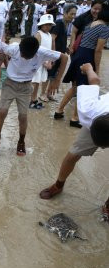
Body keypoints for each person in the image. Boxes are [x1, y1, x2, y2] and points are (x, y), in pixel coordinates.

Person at [39, 63, 109, 222]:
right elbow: (95, 82)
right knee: (73, 154)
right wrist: (88, 69)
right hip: (100, 121)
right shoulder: (89, 110)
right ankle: (58, 185)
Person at [0, 37, 68, 156]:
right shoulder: (13, 48)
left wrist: (57, 80)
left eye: (28, 56)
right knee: (3, 111)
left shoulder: (42, 52)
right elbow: (1, 50)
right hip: (10, 84)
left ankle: (21, 142)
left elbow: (65, 57)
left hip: (26, 87)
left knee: (23, 116)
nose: (24, 57)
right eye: (23, 54)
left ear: (35, 53)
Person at [56, 2, 107, 128]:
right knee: (83, 88)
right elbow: (98, 50)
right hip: (87, 56)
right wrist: (97, 69)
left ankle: (59, 111)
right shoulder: (104, 28)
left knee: (75, 86)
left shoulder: (91, 23)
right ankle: (75, 118)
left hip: (79, 55)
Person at [46, 4, 77, 102]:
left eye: (74, 14)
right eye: (71, 14)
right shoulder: (59, 23)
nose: (73, 16)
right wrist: (53, 55)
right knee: (49, 75)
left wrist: (66, 49)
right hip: (56, 54)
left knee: (53, 75)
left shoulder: (66, 24)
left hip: (60, 54)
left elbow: (61, 39)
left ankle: (48, 94)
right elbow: (52, 38)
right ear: (64, 13)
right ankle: (44, 94)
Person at [29, 14, 55, 109]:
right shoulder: (38, 34)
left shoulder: (49, 35)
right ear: (41, 25)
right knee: (34, 82)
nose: (48, 27)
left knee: (38, 81)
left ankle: (34, 99)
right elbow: (36, 50)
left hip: (45, 62)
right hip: (38, 62)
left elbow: (50, 50)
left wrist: (51, 61)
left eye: (50, 25)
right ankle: (32, 100)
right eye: (46, 24)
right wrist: (44, 62)